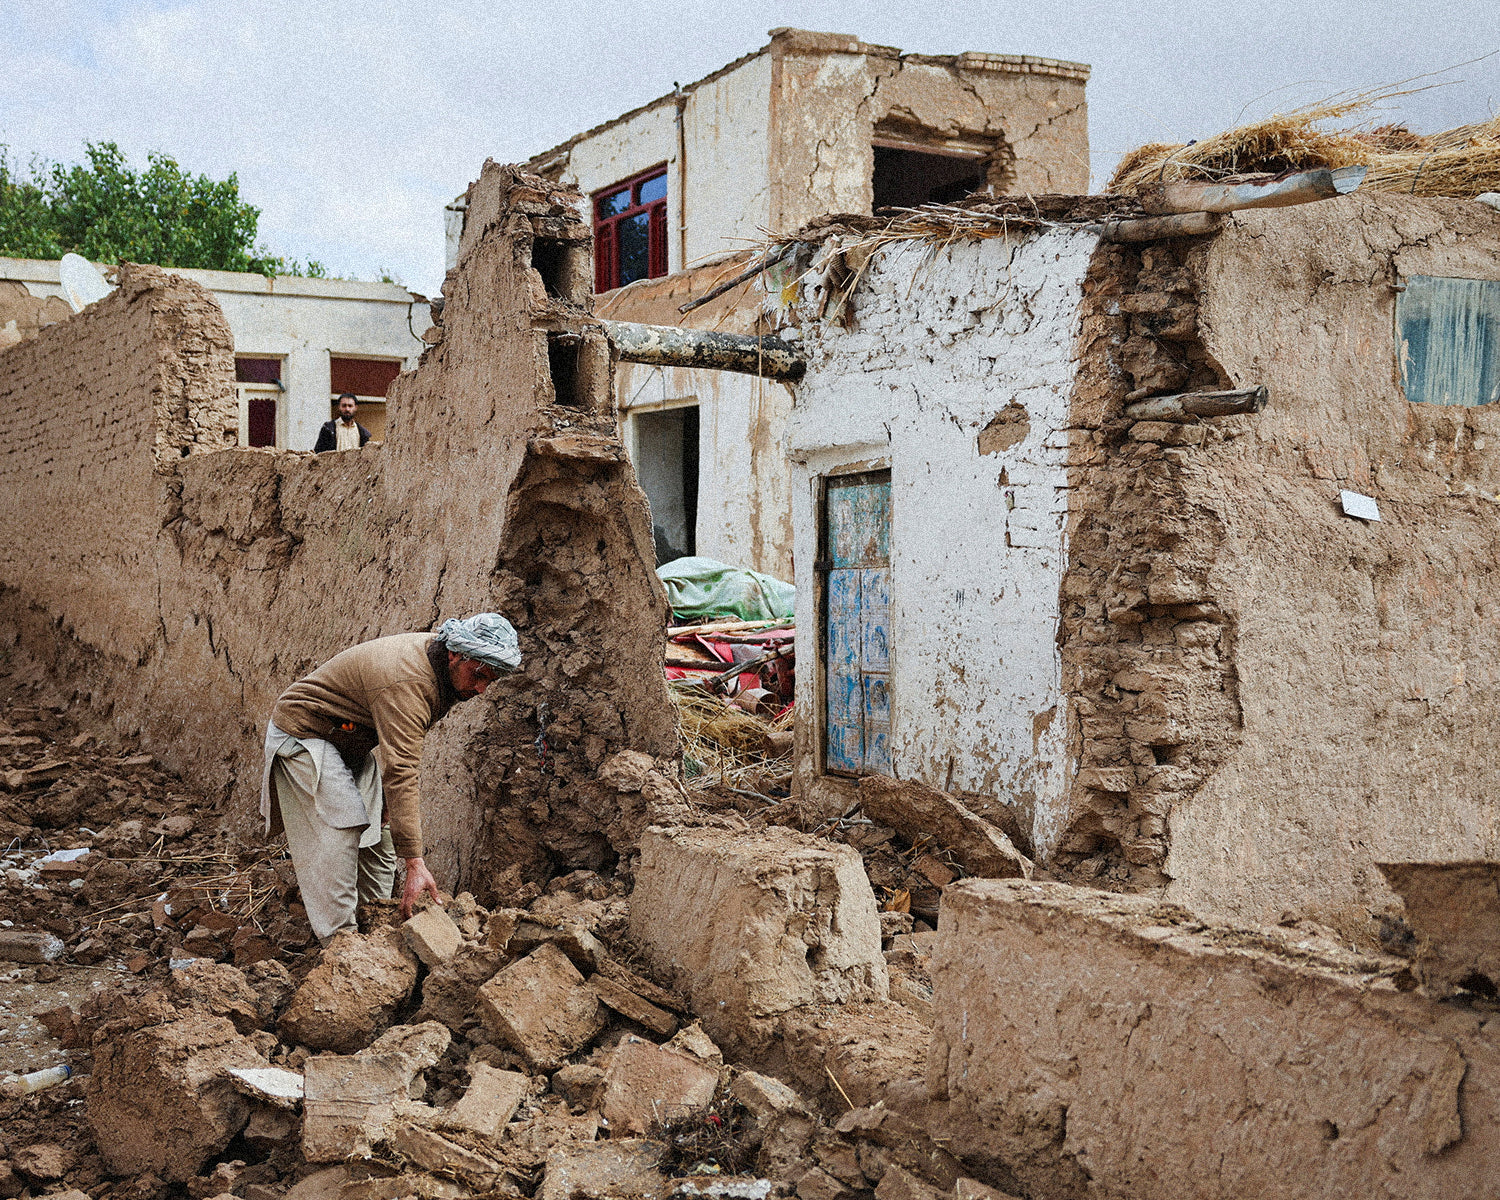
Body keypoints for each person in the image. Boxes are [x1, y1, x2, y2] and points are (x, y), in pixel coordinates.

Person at [259, 614, 521, 942]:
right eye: (479, 675)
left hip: (350, 741)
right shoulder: (408, 679)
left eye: (491, 680)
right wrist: (415, 861)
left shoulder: (445, 670)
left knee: (379, 838)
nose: (482, 689)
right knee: (341, 831)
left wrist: (388, 805)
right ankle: (342, 945)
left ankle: (377, 927)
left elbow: (398, 746)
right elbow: (402, 769)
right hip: (306, 734)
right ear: (456, 654)